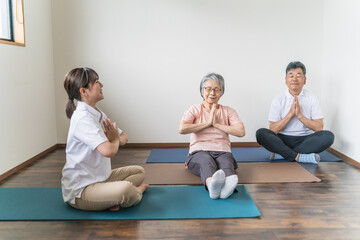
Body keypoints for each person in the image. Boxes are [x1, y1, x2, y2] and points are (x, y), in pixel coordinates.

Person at [61, 67, 149, 211]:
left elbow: (124, 138)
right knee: (126, 189)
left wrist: (113, 140)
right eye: (96, 82)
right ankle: (138, 192)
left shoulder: (97, 112)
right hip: (82, 190)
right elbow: (109, 151)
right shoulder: (83, 118)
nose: (101, 85)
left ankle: (109, 199)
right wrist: (113, 140)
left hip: (101, 179)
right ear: (84, 91)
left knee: (139, 171)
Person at [179, 73, 245, 199]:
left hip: (222, 150)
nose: (212, 93)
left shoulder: (228, 111)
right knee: (206, 161)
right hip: (198, 151)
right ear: (202, 91)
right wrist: (207, 123)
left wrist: (217, 124)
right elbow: (182, 128)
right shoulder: (194, 109)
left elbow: (241, 132)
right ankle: (212, 187)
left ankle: (227, 189)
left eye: (216, 89)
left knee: (226, 163)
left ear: (222, 92)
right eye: (208, 89)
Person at [256, 61, 334, 164]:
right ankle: (300, 157)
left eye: (298, 75)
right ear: (286, 80)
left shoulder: (312, 98)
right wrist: (290, 115)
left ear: (304, 80)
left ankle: (282, 154)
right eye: (291, 75)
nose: (294, 79)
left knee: (328, 136)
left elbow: (319, 128)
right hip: (283, 140)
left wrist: (299, 116)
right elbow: (273, 129)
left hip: (305, 140)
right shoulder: (278, 99)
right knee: (261, 133)